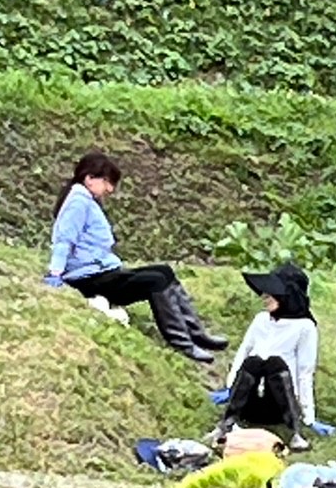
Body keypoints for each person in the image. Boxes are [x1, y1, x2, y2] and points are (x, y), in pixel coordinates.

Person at [45, 152, 226, 363]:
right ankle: (183, 343)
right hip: (88, 279)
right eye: (107, 182)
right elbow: (65, 239)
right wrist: (55, 273)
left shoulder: (87, 201)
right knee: (155, 281)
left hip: (102, 272)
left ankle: (197, 334)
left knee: (164, 271)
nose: (110, 189)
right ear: (89, 178)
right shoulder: (78, 202)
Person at [207, 263, 319, 452]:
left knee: (275, 363)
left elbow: (305, 372)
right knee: (254, 362)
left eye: (272, 293)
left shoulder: (304, 327)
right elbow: (244, 351)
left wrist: (308, 416)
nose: (265, 297)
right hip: (250, 401)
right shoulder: (261, 320)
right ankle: (226, 424)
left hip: (280, 405)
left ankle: (295, 433)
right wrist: (231, 386)